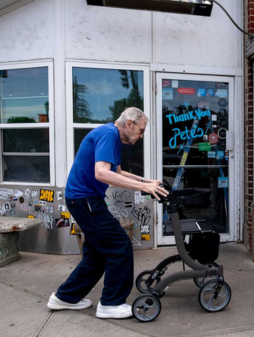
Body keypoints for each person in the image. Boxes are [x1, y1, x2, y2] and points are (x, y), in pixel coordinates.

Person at [47, 107, 169, 319]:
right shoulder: (108, 134)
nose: (141, 136)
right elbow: (102, 173)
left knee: (97, 254)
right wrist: (143, 188)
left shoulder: (112, 136)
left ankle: (64, 297)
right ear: (129, 123)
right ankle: (111, 304)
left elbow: (117, 172)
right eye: (141, 130)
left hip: (84, 200)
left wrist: (146, 181)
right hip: (85, 200)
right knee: (119, 246)